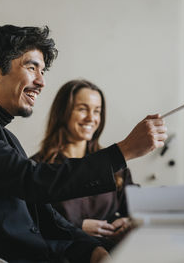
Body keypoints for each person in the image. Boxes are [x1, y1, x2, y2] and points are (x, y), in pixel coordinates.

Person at [0, 25, 167, 263]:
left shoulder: (3, 134)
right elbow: (31, 181)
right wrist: (123, 151)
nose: (41, 81)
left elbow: (45, 215)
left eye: (42, 71)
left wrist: (88, 248)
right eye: (32, 67)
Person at [32, 79, 135, 248]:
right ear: (62, 112)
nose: (91, 118)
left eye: (97, 111)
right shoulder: (36, 168)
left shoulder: (114, 166)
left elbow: (138, 208)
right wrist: (76, 228)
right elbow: (33, 225)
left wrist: (128, 222)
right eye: (82, 109)